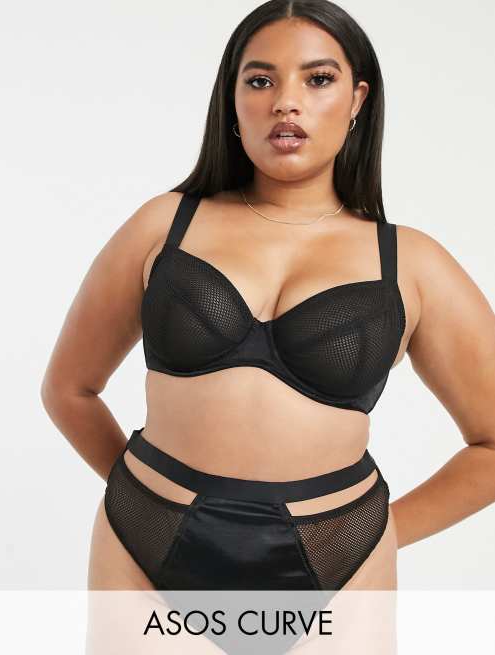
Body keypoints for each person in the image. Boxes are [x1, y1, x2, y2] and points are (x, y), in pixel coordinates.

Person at [41, 0, 495, 598]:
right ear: (232, 100)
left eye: (318, 79)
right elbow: (69, 389)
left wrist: (381, 535)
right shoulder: (164, 225)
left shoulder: (412, 262)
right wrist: (144, 501)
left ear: (357, 100)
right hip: (144, 549)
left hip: (338, 564)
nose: (286, 102)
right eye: (260, 81)